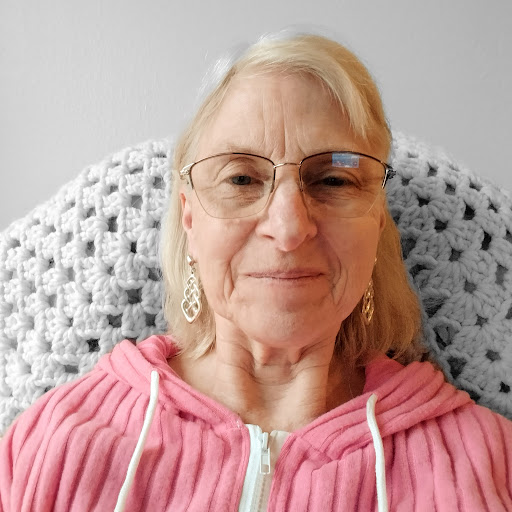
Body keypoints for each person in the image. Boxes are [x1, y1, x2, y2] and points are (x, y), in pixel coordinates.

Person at [1, 32, 512, 512]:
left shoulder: (486, 461)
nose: (288, 229)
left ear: (377, 221)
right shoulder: (48, 446)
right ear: (190, 219)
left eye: (333, 180)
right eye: (241, 179)